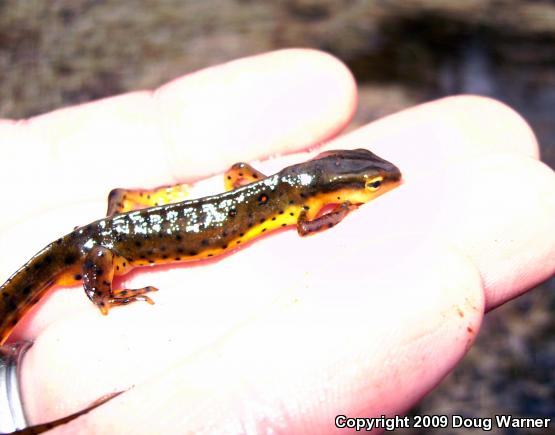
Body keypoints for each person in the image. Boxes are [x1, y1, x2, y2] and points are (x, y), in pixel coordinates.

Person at [0, 49, 553, 433]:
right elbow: (307, 223)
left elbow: (243, 174)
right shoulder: (301, 205)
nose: (376, 188)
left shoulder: (286, 191)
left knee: (114, 226)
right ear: (331, 186)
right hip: (103, 247)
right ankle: (102, 293)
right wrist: (107, 295)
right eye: (366, 185)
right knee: (100, 258)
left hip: (128, 229)